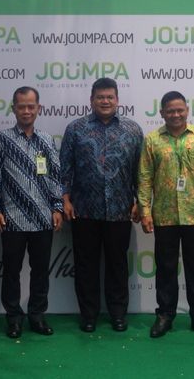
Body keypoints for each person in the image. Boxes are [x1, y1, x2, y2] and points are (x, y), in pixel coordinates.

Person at [138, 91, 194, 339]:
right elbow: (144, 178)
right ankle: (165, 315)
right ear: (162, 112)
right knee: (165, 268)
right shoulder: (152, 140)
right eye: (170, 111)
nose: (175, 114)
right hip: (164, 215)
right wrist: (144, 210)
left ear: (187, 109)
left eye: (180, 110)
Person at [60, 78, 143, 333]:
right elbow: (65, 168)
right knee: (86, 265)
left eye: (109, 97)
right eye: (100, 97)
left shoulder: (132, 130)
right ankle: (89, 315)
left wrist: (140, 201)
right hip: (84, 209)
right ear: (91, 100)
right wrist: (64, 199)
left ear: (117, 100)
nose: (105, 101)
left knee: (117, 265)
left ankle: (118, 314)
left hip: (120, 209)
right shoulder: (76, 129)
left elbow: (141, 170)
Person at [0, 86, 63, 339]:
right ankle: (14, 318)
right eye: (21, 106)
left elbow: (54, 177)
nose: (26, 110)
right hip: (12, 219)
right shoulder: (2, 139)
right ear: (14, 108)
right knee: (11, 271)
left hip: (42, 218)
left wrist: (57, 207)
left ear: (38, 108)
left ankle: (37, 316)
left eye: (31, 106)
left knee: (41, 270)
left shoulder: (47, 140)